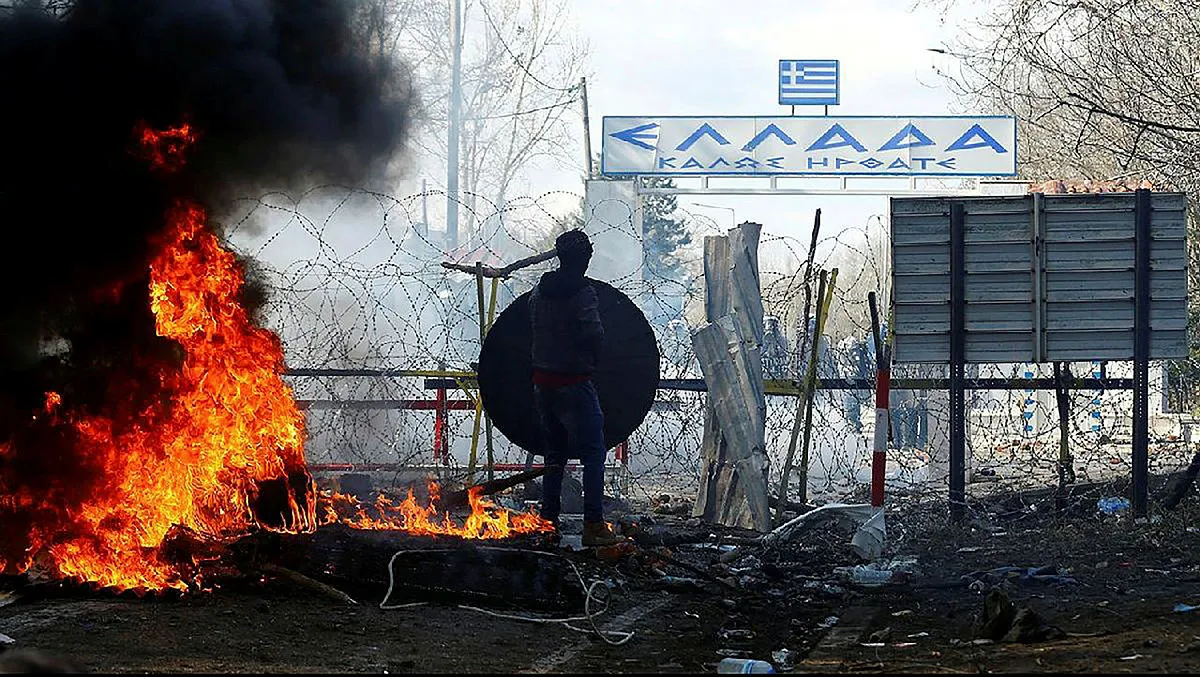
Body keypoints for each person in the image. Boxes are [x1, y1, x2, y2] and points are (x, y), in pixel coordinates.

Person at [530, 229, 624, 547]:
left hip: (543, 383)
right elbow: (594, 332)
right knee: (594, 453)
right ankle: (593, 524)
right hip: (574, 383)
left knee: (554, 454)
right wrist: (591, 359)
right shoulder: (582, 293)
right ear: (584, 260)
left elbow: (532, 327)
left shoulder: (539, 291)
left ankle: (547, 520)